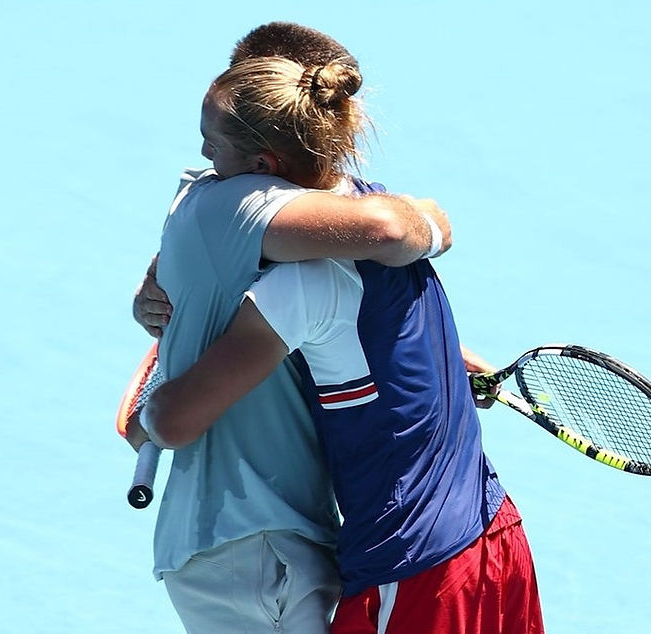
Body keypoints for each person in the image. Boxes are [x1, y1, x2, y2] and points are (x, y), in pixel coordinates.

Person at [140, 56, 545, 634]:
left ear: (262, 167)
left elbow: (175, 420)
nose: (205, 159)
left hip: (415, 569)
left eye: (214, 145)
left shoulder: (301, 283)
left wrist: (149, 406)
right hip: (497, 537)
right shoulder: (384, 207)